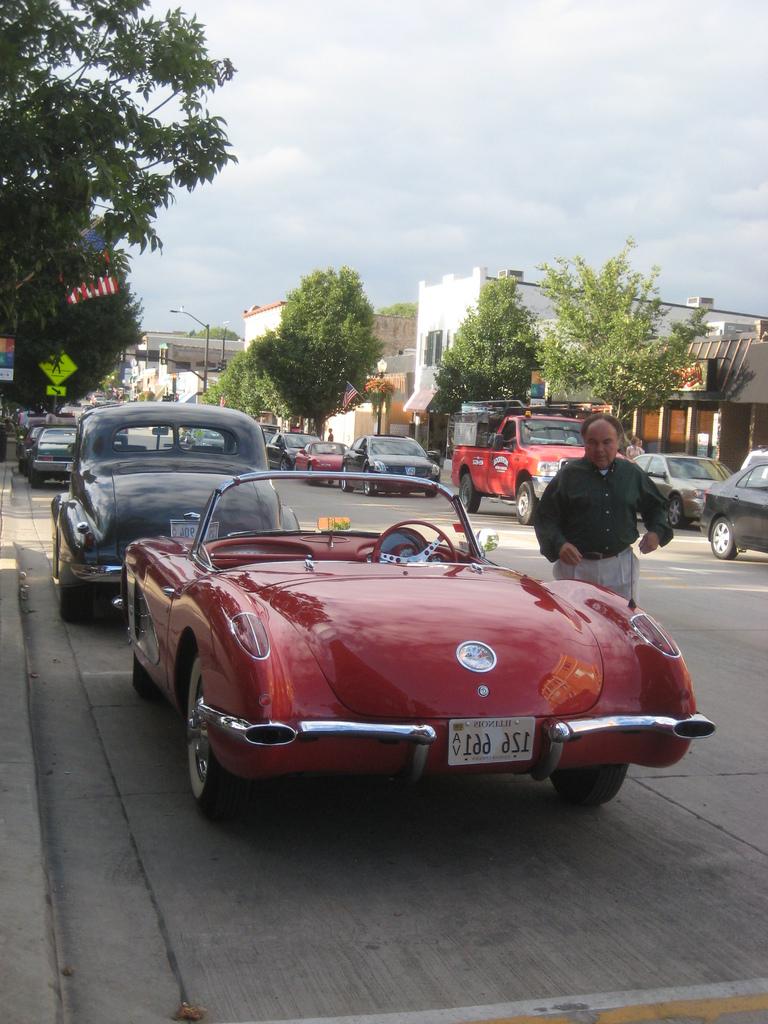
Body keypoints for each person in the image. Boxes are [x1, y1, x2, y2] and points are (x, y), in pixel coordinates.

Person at [533, 413, 671, 606]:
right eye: (593, 442)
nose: (600, 449)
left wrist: (657, 533)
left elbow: (657, 506)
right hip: (576, 568)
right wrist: (560, 544)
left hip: (619, 568)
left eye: (607, 442)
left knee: (621, 627)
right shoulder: (569, 476)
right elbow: (545, 517)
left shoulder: (631, 474)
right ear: (584, 443)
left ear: (618, 442)